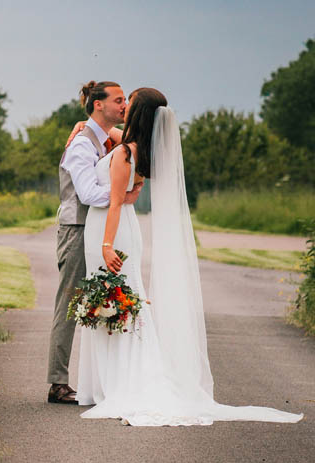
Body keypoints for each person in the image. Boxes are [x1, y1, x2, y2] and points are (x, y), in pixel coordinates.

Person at [75, 87, 302, 426]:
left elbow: (117, 202)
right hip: (121, 228)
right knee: (122, 300)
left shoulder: (125, 153)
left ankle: (125, 382)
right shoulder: (140, 150)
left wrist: (107, 245)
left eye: (129, 103)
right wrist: (85, 124)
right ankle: (108, 382)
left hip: (111, 231)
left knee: (118, 299)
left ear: (138, 113)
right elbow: (129, 187)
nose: (123, 108)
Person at [48, 81, 140, 404]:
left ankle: (102, 379)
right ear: (98, 105)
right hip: (76, 229)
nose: (124, 105)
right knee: (70, 304)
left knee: (105, 300)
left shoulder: (104, 138)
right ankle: (58, 382)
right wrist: (122, 198)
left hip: (98, 231)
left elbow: (130, 141)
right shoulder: (82, 145)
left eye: (126, 100)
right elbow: (86, 194)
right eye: (118, 100)